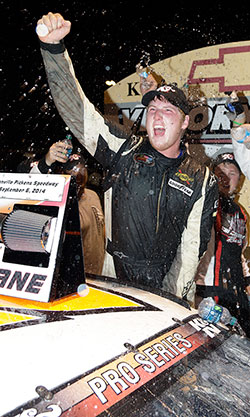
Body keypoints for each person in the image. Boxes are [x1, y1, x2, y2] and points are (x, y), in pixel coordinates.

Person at [34, 12, 218, 304]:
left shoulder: (202, 177)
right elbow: (79, 113)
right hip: (113, 278)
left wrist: (172, 302)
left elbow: (191, 248)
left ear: (185, 123)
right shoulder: (125, 149)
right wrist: (54, 50)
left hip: (163, 286)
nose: (157, 116)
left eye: (168, 111)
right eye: (152, 110)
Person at [18, 143, 105, 276]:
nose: (76, 183)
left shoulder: (92, 195)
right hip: (74, 278)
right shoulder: (57, 205)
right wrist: (46, 163)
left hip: (95, 275)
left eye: (80, 176)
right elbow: (27, 190)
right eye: (71, 178)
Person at [195, 152, 250, 336]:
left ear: (240, 180)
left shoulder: (241, 213)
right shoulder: (202, 202)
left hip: (237, 296)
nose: (225, 176)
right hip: (208, 294)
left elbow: (240, 254)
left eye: (232, 172)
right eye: (220, 171)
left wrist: (247, 284)